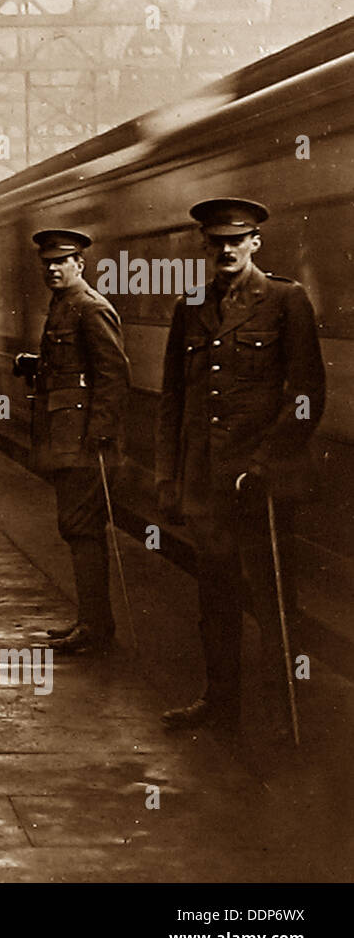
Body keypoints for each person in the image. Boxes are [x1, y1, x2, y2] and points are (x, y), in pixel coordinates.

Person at [156, 198, 325, 736]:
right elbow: (174, 399)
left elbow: (305, 395)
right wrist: (170, 476)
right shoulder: (191, 307)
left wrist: (262, 463)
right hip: (209, 483)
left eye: (237, 239)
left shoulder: (285, 300)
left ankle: (285, 713)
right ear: (204, 246)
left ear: (256, 242)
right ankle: (220, 703)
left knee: (274, 601)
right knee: (216, 598)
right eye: (216, 241)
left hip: (261, 483)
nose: (226, 249)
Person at [13, 229, 130, 654]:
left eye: (62, 262)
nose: (53, 269)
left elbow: (114, 378)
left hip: (85, 443)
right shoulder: (64, 306)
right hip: (67, 440)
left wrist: (99, 436)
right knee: (76, 529)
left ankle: (96, 627)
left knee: (82, 529)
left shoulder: (90, 308)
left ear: (80, 264)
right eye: (47, 263)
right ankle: (91, 620)